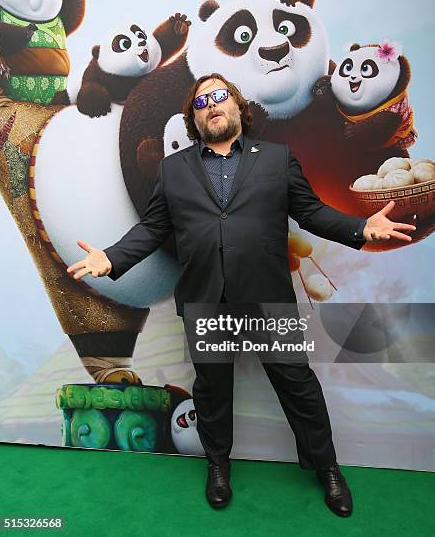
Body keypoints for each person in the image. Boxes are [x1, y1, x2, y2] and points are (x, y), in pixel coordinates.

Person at [67, 73, 416, 516]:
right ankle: (217, 465)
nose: (211, 105)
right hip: (205, 299)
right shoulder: (174, 169)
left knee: (298, 385)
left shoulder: (276, 158)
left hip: (268, 297)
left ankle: (326, 467)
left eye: (220, 96)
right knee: (212, 388)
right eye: (201, 101)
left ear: (237, 107)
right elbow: (154, 228)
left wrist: (360, 226)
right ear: (193, 118)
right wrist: (112, 259)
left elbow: (309, 211)